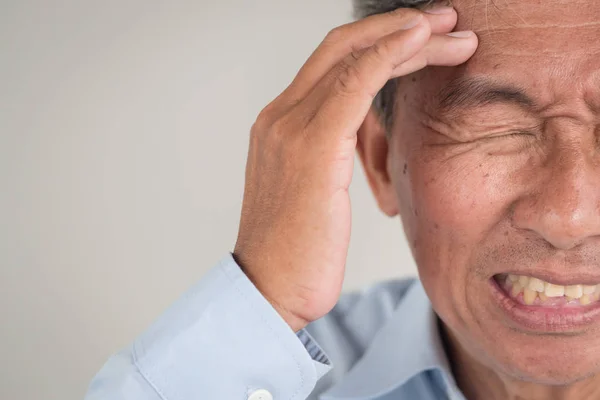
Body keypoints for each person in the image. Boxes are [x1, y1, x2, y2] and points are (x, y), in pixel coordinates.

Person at [84, 0, 600, 398]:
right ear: (379, 161)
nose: (570, 216)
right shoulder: (262, 374)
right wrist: (265, 296)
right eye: (495, 129)